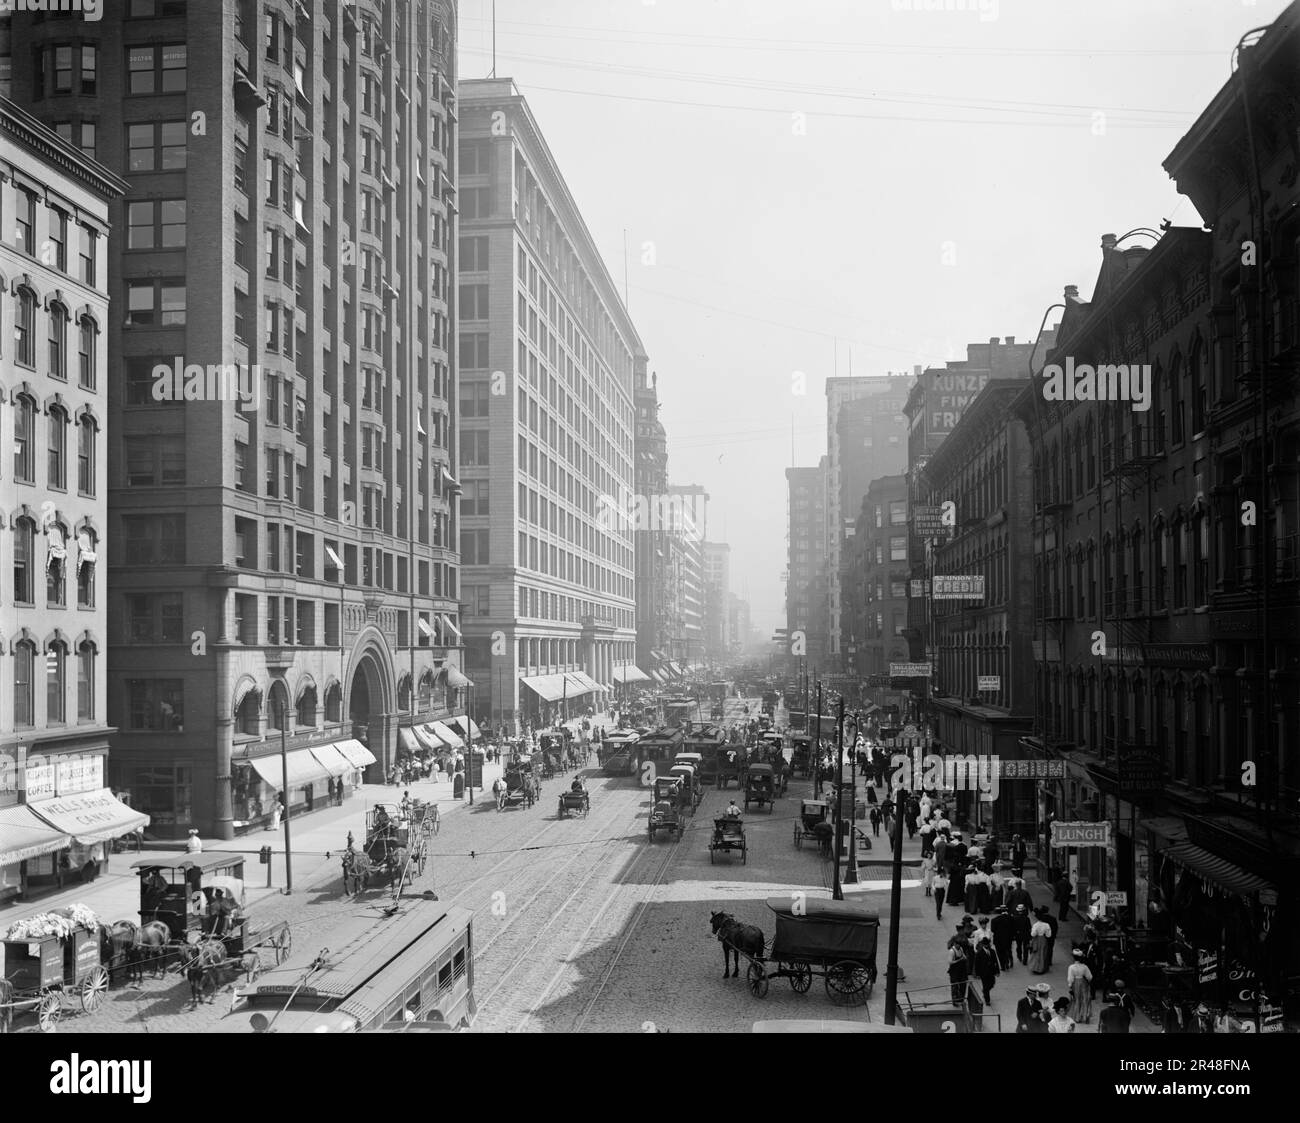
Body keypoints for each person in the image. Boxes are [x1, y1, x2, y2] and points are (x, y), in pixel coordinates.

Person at [1006, 879, 1034, 964]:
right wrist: (1031, 909)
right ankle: (1025, 959)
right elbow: (1029, 902)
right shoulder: (1025, 892)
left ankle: (1019, 955)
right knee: (1025, 944)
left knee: (1018, 944)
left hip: (1014, 912)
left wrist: (1007, 909)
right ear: (1021, 885)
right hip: (1024, 914)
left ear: (1015, 885)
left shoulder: (1012, 892)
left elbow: (1008, 901)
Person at [1067, 949, 1094, 1023]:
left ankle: (1077, 1017)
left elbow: (1070, 978)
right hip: (1083, 983)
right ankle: (1084, 1016)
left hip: (1075, 983)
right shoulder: (1084, 967)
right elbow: (1090, 977)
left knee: (1076, 999)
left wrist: (1070, 985)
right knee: (1084, 999)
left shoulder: (1071, 967)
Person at [974, 930, 1000, 1006]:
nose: (986, 945)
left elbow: (996, 961)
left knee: (992, 984)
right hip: (983, 973)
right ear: (982, 945)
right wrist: (977, 974)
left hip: (991, 972)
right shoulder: (979, 953)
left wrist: (997, 971)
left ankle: (985, 991)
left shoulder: (992, 951)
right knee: (985, 986)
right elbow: (976, 964)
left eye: (987, 944)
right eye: (985, 944)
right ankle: (987, 1000)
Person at [947, 933, 971, 1006]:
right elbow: (950, 962)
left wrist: (964, 957)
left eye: (959, 945)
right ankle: (955, 1001)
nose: (958, 946)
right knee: (955, 986)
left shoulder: (960, 949)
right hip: (954, 971)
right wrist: (959, 960)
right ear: (954, 944)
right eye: (957, 944)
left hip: (961, 970)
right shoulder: (952, 951)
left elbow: (963, 955)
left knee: (963, 984)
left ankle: (961, 999)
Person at [991, 906, 1014, 971]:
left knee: (1000, 953)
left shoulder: (994, 920)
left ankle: (1003, 965)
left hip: (998, 939)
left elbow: (993, 930)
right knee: (1008, 949)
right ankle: (1009, 961)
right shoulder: (1010, 918)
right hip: (1008, 938)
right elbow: (1013, 928)